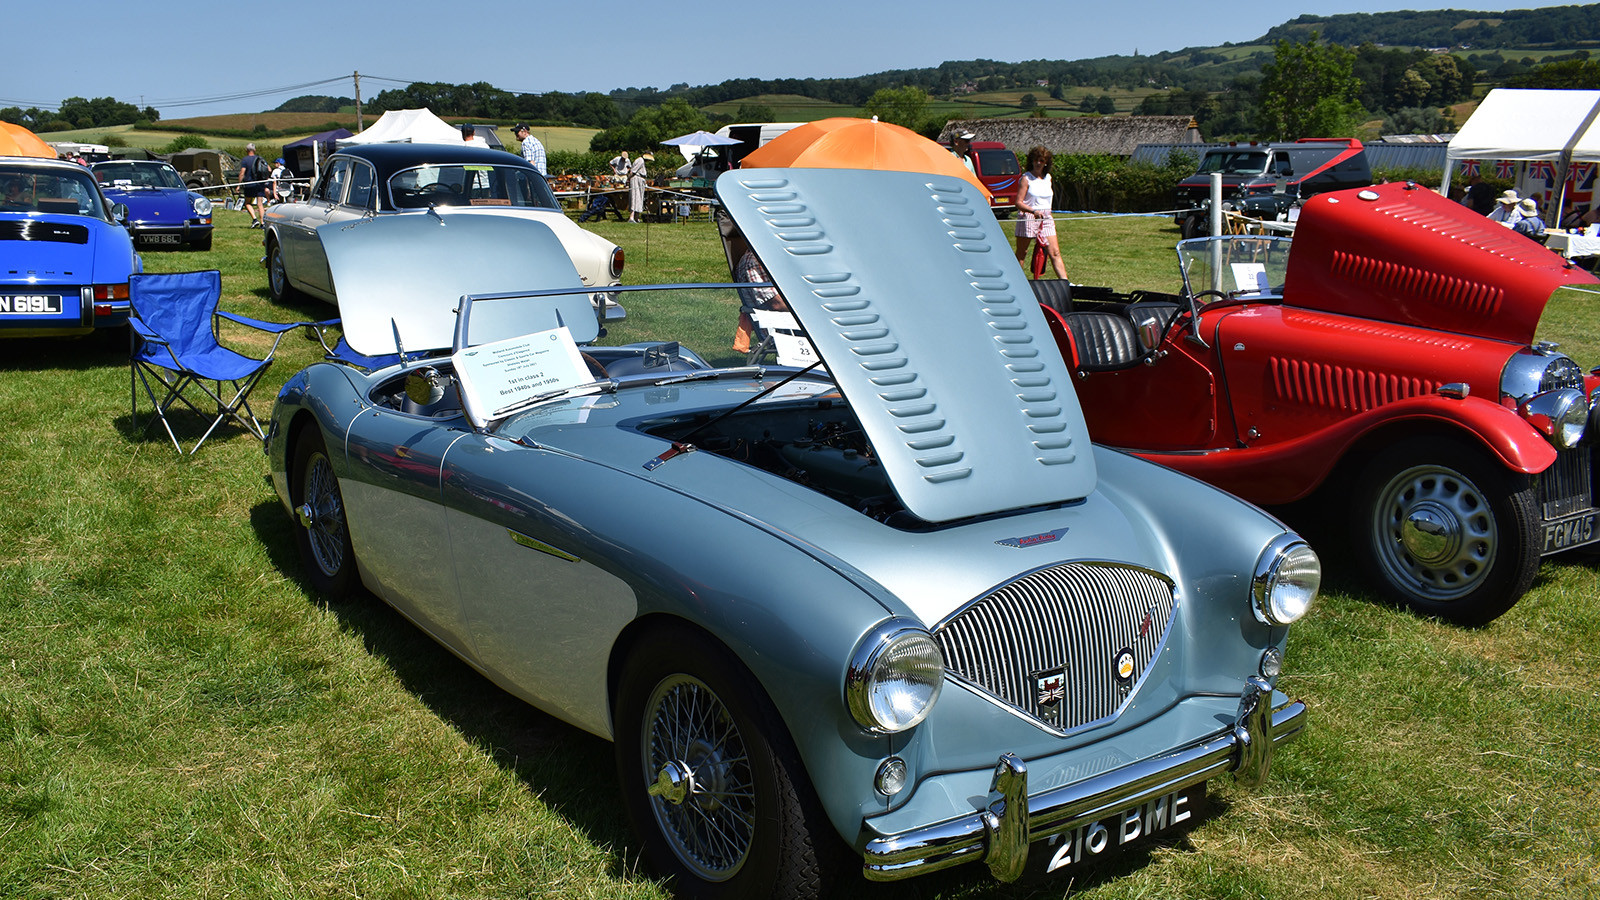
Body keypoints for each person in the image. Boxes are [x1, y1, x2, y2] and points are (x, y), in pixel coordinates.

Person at [1013, 145, 1070, 281]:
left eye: (1042, 160)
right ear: (1031, 161)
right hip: (1029, 216)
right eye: (1036, 160)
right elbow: (1018, 203)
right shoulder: (1026, 178)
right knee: (1022, 253)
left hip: (1046, 217)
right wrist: (1033, 211)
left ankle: (1066, 283)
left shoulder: (1048, 178)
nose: (1038, 163)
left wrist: (1042, 213)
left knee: (1054, 252)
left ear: (1046, 163)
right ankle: (1016, 280)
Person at [733, 249, 788, 352]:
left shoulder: (772, 257)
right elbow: (777, 304)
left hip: (793, 319)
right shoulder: (753, 261)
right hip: (781, 326)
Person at [238, 143, 268, 228]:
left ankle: (255, 219)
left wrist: (239, 185)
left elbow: (242, 173)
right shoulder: (260, 159)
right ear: (254, 150)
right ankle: (262, 223)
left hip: (249, 184)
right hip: (260, 184)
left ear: (246, 150)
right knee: (260, 204)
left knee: (247, 203)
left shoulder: (245, 160)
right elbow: (268, 169)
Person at [627, 152, 651, 223]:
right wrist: (628, 179)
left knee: (639, 198)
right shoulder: (640, 160)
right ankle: (631, 217)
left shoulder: (642, 161)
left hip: (640, 180)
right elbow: (633, 171)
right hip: (636, 180)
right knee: (635, 197)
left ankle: (636, 217)